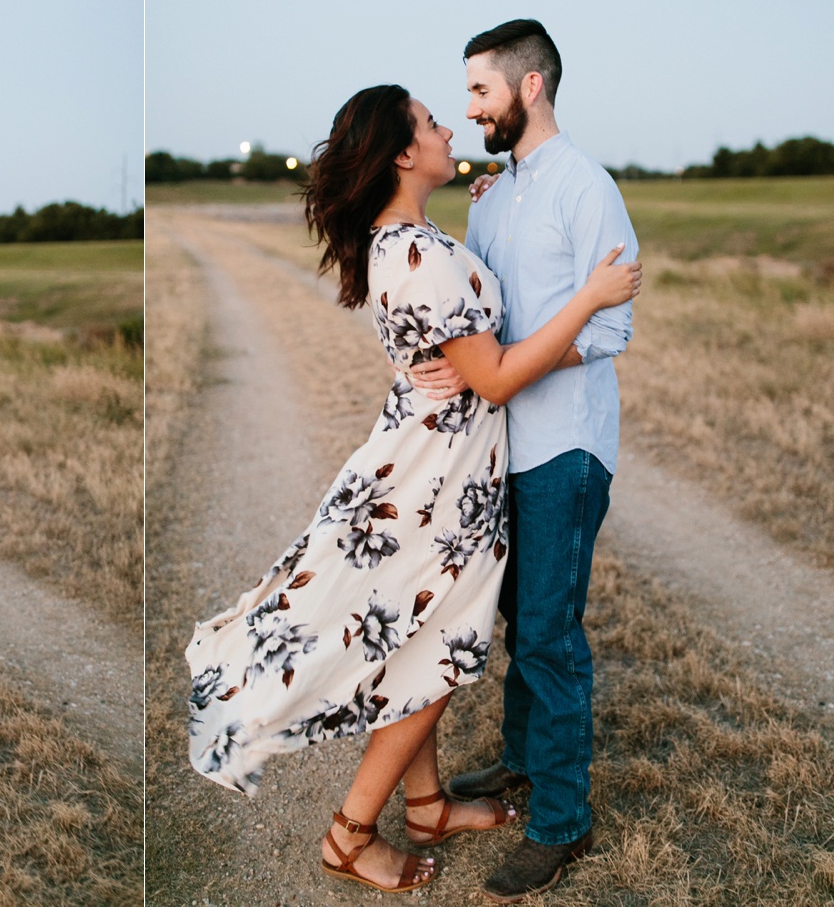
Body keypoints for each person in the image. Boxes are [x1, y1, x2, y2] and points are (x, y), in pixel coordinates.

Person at [185, 84, 640, 895]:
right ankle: (351, 836)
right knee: (441, 646)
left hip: (442, 465)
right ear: (402, 153)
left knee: (414, 636)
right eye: (431, 122)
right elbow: (493, 378)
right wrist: (589, 302)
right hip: (437, 481)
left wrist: (495, 210)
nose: (447, 126)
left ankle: (426, 806)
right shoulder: (415, 255)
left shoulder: (417, 239)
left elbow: (468, 341)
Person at [412, 19, 640, 903]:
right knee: (518, 620)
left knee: (549, 633)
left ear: (529, 86)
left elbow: (611, 328)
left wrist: (511, 370)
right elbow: (488, 314)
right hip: (499, 446)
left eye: (481, 90)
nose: (471, 107)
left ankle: (561, 820)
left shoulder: (586, 187)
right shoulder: (495, 195)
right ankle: (520, 758)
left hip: (564, 448)